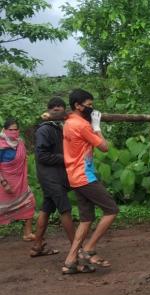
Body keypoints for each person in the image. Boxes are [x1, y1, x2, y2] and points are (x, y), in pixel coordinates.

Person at [62, 89, 119, 275]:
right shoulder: (82, 125)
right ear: (77, 106)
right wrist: (97, 126)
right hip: (85, 176)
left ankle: (70, 261)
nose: (91, 108)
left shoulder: (68, 123)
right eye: (88, 105)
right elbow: (103, 147)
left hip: (74, 176)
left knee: (86, 219)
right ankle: (88, 249)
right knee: (111, 210)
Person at [30, 97, 75, 257]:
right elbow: (42, 155)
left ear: (64, 111)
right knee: (65, 209)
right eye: (54, 109)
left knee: (47, 208)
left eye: (60, 108)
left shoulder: (58, 128)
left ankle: (37, 246)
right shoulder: (45, 129)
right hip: (50, 177)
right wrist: (66, 158)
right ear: (48, 111)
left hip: (54, 176)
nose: (58, 110)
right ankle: (77, 249)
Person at [0, 118, 35, 240]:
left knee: (30, 202)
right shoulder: (1, 145)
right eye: (10, 129)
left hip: (20, 183)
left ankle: (27, 233)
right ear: (4, 129)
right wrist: (4, 183)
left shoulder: (20, 143)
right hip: (4, 183)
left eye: (16, 129)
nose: (13, 132)